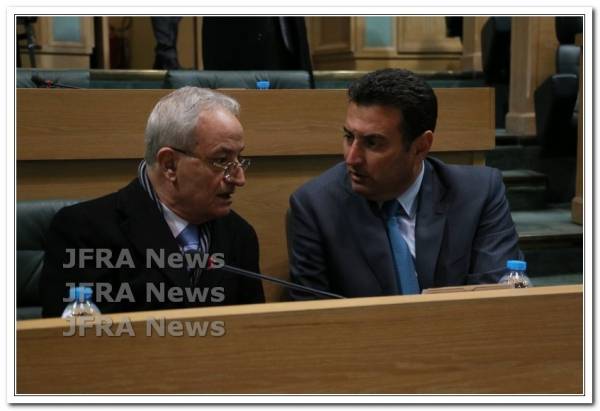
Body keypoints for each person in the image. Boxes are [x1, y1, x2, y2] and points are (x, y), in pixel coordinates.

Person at [288, 69, 522, 300]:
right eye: (349, 137)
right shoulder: (315, 207)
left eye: (373, 143)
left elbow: (497, 300)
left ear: (421, 146)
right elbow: (313, 315)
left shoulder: (478, 194)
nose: (352, 158)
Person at [40, 87, 265, 317]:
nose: (239, 178)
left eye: (239, 159)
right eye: (221, 160)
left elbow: (256, 330)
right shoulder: (84, 232)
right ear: (169, 165)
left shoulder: (239, 235)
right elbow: (70, 335)